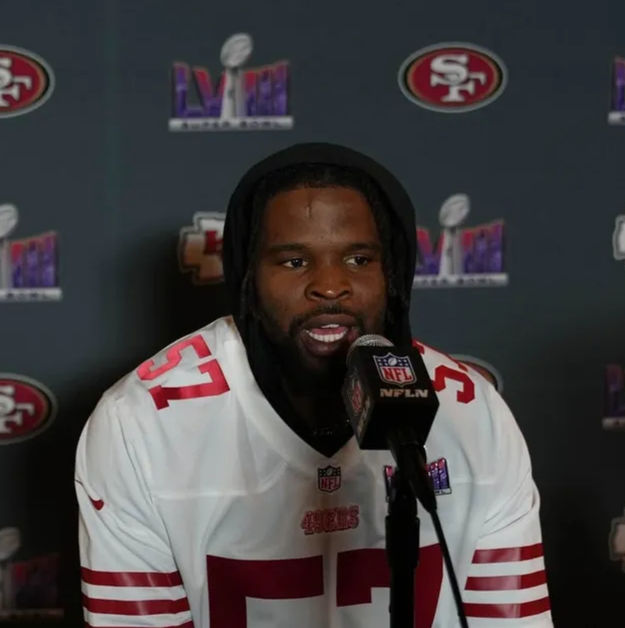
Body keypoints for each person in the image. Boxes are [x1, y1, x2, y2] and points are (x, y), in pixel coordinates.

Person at [75, 143, 553, 627]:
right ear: (247, 279)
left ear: (394, 273)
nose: (330, 286)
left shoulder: (473, 412)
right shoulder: (140, 424)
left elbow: (511, 620)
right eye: (294, 262)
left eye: (360, 259)